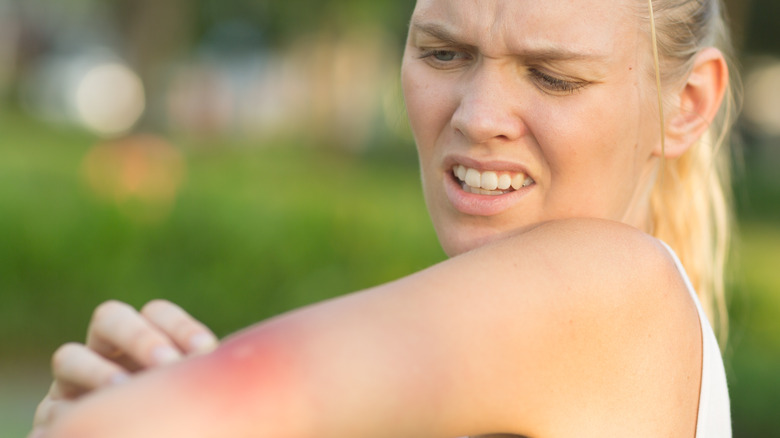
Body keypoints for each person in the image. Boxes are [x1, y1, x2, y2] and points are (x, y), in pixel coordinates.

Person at [30, 0, 737, 436]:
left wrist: (123, 417)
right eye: (442, 53)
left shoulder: (613, 288)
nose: (478, 116)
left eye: (554, 76)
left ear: (688, 105)